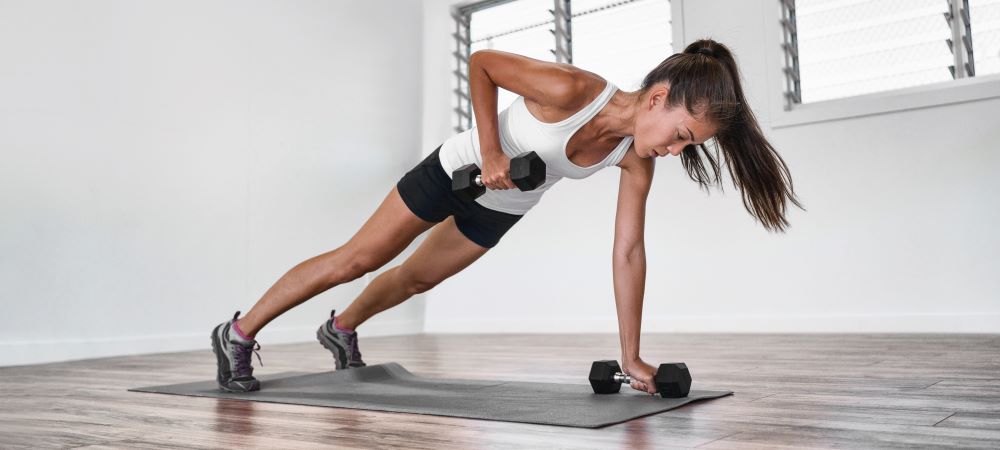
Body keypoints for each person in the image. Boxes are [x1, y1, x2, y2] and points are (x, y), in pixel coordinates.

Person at [211, 38, 804, 394]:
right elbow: (483, 62)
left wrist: (630, 355)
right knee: (359, 258)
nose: (675, 151)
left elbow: (628, 252)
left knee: (416, 278)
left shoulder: (634, 160)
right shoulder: (574, 89)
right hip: (459, 169)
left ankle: (339, 331)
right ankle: (238, 333)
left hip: (504, 204)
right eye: (679, 135)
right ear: (656, 100)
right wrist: (492, 149)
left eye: (687, 147)